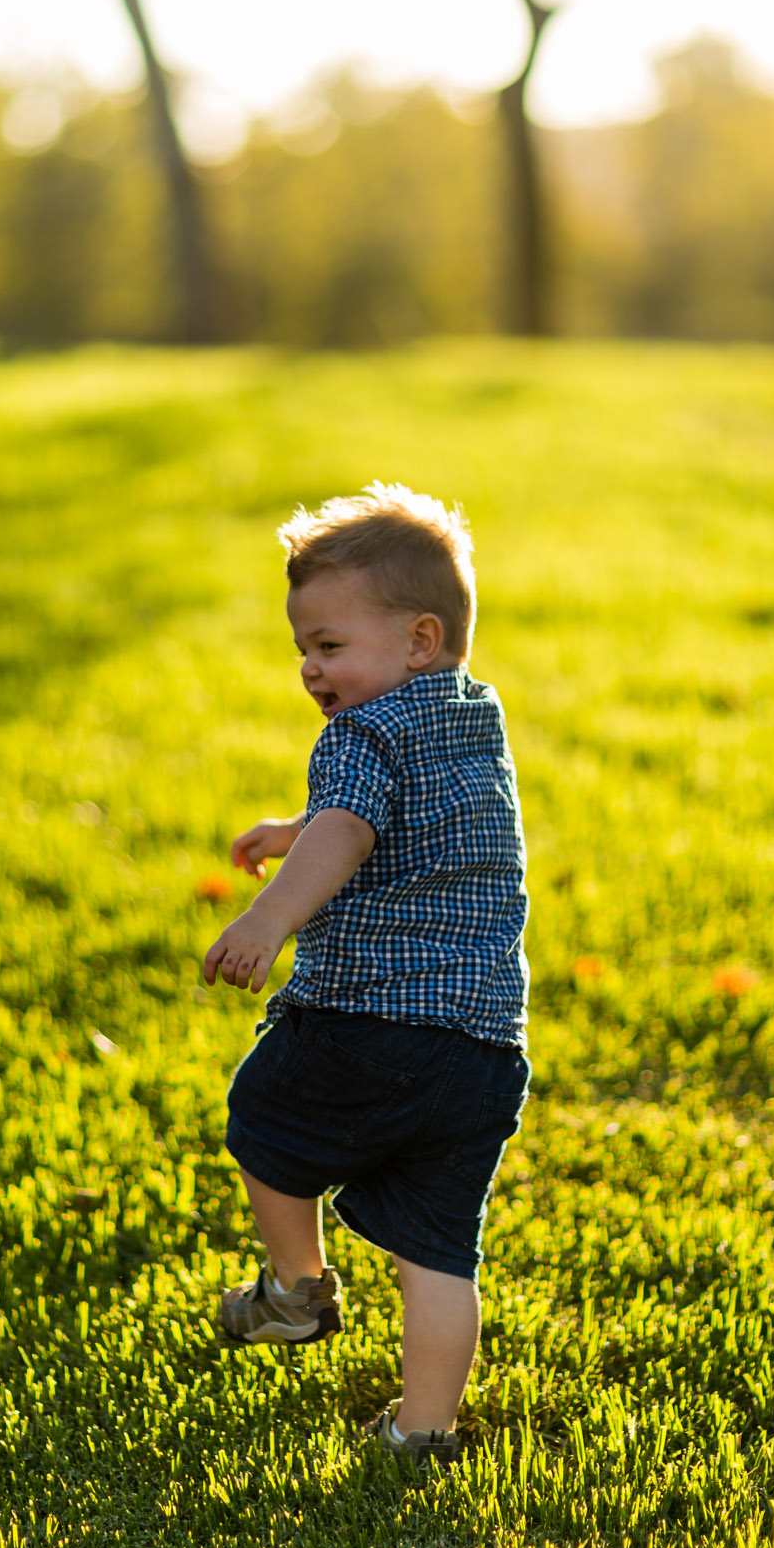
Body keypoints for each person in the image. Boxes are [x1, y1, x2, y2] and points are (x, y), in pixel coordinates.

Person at [203, 481, 531, 1467]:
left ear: (419, 639)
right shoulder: (477, 716)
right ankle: (423, 1431)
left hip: (366, 1023)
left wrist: (270, 915)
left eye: (330, 645)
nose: (309, 667)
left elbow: (352, 824)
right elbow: (395, 815)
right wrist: (295, 826)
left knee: (264, 1117)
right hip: (480, 1050)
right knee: (438, 1246)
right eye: (303, 646)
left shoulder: (356, 735)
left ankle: (297, 1289)